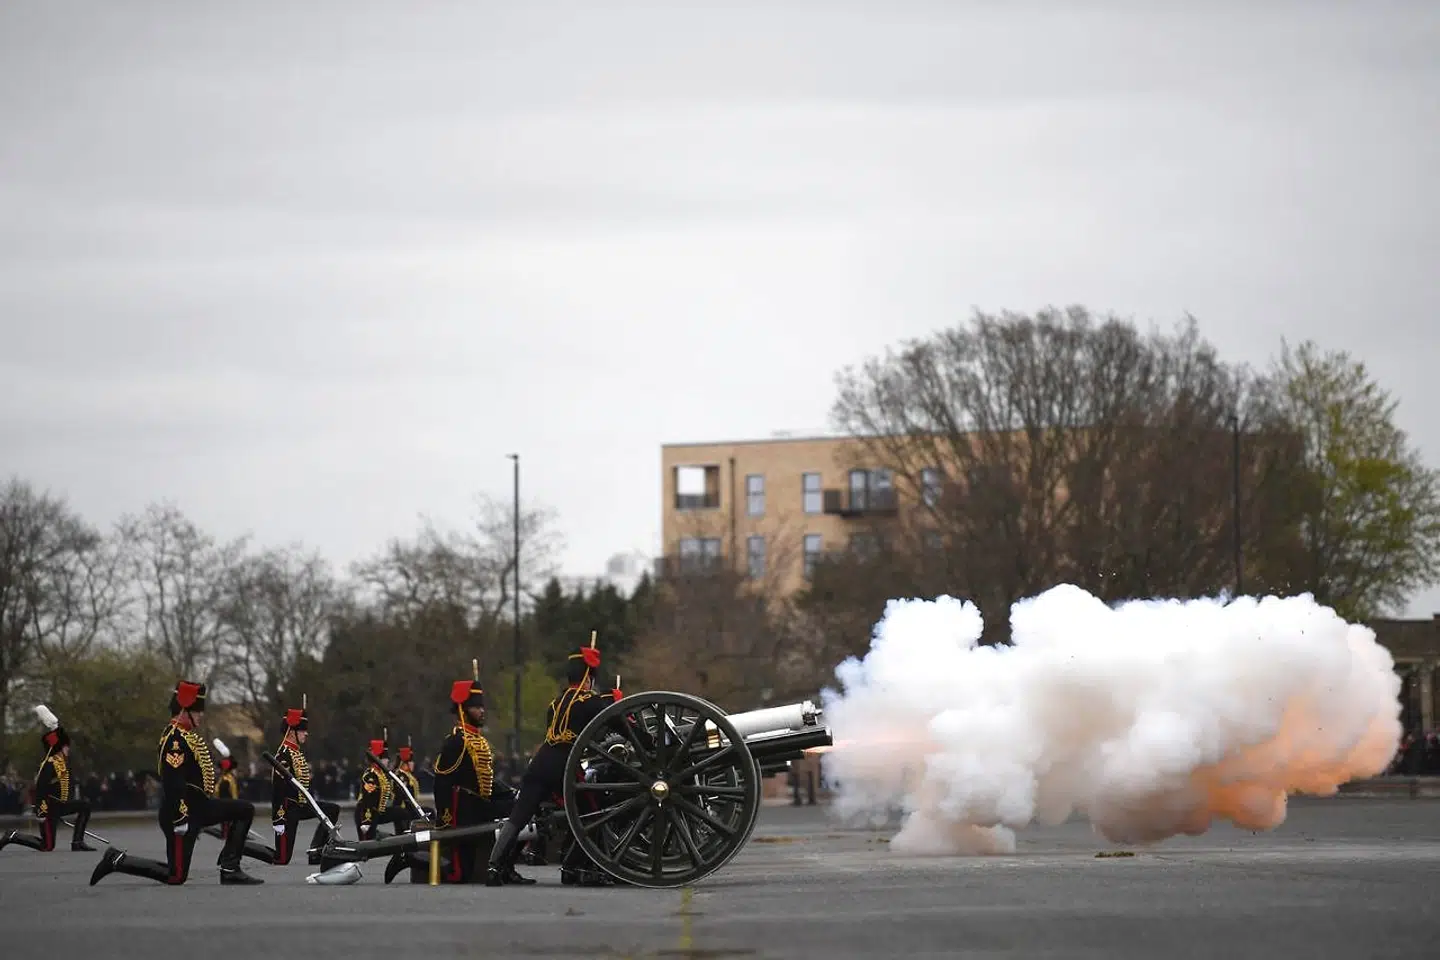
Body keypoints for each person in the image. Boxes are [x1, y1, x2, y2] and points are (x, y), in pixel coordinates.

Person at [88, 681, 275, 886]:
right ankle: (116, 860)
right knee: (175, 876)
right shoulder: (174, 740)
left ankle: (230, 869)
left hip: (199, 806)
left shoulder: (186, 736)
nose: (201, 715)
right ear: (185, 710)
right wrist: (179, 817)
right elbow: (173, 781)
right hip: (180, 811)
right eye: (197, 711)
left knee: (244, 810)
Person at [486, 636, 623, 886]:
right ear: (587, 676)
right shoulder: (590, 702)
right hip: (564, 767)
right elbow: (615, 726)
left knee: (519, 817)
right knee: (593, 815)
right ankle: (576, 869)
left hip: (539, 763)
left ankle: (495, 868)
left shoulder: (555, 703)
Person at [417, 669, 525, 884]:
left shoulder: (479, 740)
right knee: (459, 875)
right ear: (463, 710)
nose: (482, 711)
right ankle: (411, 858)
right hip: (463, 811)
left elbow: (486, 779)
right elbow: (443, 782)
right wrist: (445, 819)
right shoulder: (455, 742)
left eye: (482, 707)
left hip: (481, 805)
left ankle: (507, 867)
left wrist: (513, 793)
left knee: (523, 810)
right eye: (477, 707)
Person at [0, 705, 94, 854]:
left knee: (85, 805)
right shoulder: (49, 765)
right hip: (47, 808)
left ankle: (77, 842)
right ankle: (12, 836)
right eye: (65, 746)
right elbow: (40, 789)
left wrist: (55, 727)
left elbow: (59, 736)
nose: (68, 749)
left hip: (60, 805)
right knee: (47, 846)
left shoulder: (63, 763)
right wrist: (42, 813)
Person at [270, 696, 340, 866]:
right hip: (287, 810)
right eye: (302, 730)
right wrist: (278, 819)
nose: (306, 733)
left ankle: (316, 851)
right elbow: (277, 790)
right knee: (281, 858)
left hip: (301, 804)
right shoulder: (283, 755)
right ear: (292, 732)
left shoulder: (296, 752)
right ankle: (243, 848)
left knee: (332, 810)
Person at [355, 731, 408, 839]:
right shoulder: (371, 776)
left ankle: (403, 839)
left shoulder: (381, 775)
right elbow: (367, 801)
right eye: (385, 757)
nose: (387, 760)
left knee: (401, 813)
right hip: (367, 814)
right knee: (367, 845)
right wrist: (366, 822)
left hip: (379, 812)